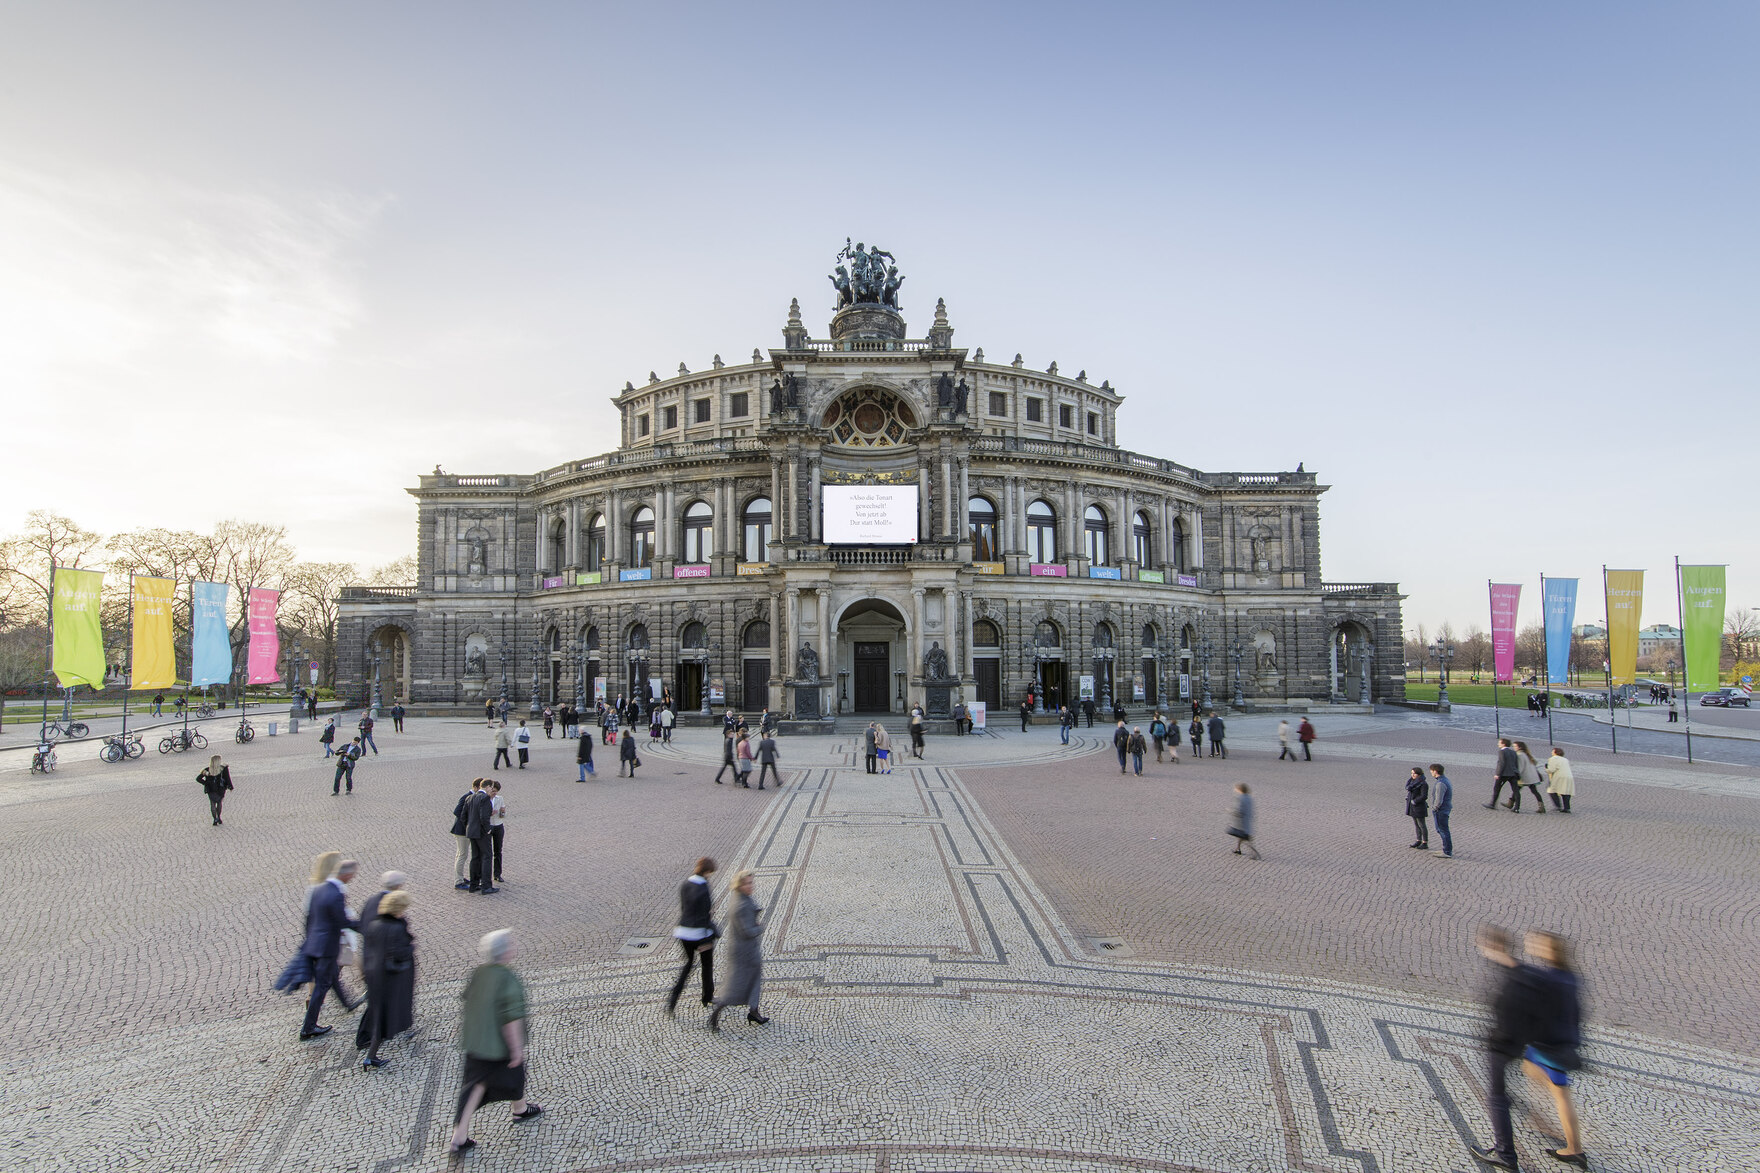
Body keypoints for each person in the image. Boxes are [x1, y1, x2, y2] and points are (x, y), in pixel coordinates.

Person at [450, 930, 544, 1156]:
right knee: (500, 1077)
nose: (514, 946)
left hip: (476, 1040)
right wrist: (515, 1049)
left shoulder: (479, 972)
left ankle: (519, 1109)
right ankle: (460, 1136)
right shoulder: (508, 979)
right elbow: (511, 1018)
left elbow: (467, 999)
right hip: (496, 1045)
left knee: (478, 1084)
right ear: (505, 952)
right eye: (511, 944)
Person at [1468, 924, 1542, 1170]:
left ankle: (1506, 1154)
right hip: (1517, 1046)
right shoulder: (1523, 972)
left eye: (1483, 945)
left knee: (1497, 1099)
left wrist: (1495, 1039)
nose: (1482, 950)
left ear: (1494, 946)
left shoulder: (1508, 981)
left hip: (1502, 1048)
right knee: (1503, 1095)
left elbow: (1509, 1019)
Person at [1521, 930, 1587, 1167]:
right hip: (1562, 1042)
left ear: (1549, 951)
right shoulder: (1569, 977)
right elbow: (1576, 1012)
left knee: (1559, 1093)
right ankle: (1546, 1125)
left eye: (1537, 945)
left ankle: (1573, 1148)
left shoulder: (1550, 979)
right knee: (1542, 1079)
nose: (1533, 946)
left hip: (1550, 1045)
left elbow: (1542, 1015)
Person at [299, 856, 360, 1039]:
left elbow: (309, 918)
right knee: (324, 983)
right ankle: (308, 1027)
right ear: (347, 874)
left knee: (332, 977)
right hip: (327, 947)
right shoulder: (336, 893)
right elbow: (342, 921)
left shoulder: (318, 889)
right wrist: (365, 926)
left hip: (318, 943)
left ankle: (347, 1003)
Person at [355, 888, 415, 1069]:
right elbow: (400, 952)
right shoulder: (395, 927)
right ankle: (370, 1057)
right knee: (385, 1019)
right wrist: (410, 948)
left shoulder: (375, 923)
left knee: (379, 1016)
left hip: (375, 975)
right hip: (389, 979)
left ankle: (370, 1055)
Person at [708, 870, 769, 1030]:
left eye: (751, 882)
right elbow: (747, 931)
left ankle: (754, 1011)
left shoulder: (740, 897)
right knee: (735, 987)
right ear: (740, 885)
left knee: (753, 979)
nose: (751, 886)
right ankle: (716, 1013)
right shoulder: (741, 905)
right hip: (745, 952)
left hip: (746, 950)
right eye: (748, 883)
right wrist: (760, 928)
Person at [665, 857, 718, 1015]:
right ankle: (707, 996)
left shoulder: (685, 884)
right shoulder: (704, 887)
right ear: (707, 871)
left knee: (688, 965)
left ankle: (673, 1000)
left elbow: (684, 907)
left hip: (682, 932)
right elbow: (705, 914)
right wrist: (706, 939)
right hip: (699, 933)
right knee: (706, 965)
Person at [467, 779, 497, 894]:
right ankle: (486, 886)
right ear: (488, 787)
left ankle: (473, 884)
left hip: (472, 832)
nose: (492, 790)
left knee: (475, 857)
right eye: (491, 787)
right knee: (487, 857)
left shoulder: (471, 797)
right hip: (482, 833)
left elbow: (464, 814)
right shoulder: (485, 798)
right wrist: (488, 829)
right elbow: (484, 817)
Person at [452, 779, 481, 889]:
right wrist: (469, 820)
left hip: (463, 830)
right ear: (476, 787)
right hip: (461, 831)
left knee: (461, 855)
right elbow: (457, 811)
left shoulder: (470, 796)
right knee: (462, 855)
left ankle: (459, 877)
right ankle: (458, 881)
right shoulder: (466, 796)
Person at [198, 754, 233, 825]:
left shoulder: (207, 770)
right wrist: (230, 786)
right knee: (219, 803)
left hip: (210, 789)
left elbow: (198, 778)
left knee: (212, 804)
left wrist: (206, 783)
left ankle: (214, 819)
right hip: (220, 789)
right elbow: (227, 778)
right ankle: (219, 818)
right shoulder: (223, 769)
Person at [1509, 742, 1545, 813]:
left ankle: (1511, 803)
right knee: (1534, 791)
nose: (1514, 748)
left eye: (1515, 746)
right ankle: (1541, 807)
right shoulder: (1527, 754)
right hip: (1532, 777)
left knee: (1516, 790)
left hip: (1525, 777)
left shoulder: (1519, 755)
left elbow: (1520, 767)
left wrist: (1516, 775)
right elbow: (1535, 762)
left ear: (1519, 747)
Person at [1486, 738, 1520, 810]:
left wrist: (1497, 774)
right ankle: (1517, 807)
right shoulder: (1513, 752)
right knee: (1515, 790)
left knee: (1497, 788)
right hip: (1513, 773)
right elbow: (1516, 764)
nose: (1498, 744)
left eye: (1499, 743)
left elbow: (1501, 763)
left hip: (1504, 774)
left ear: (1503, 744)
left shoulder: (1502, 752)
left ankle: (1492, 804)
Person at [1429, 764, 1454, 858]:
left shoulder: (1440, 783)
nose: (1431, 773)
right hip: (1445, 808)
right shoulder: (1445, 780)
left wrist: (1435, 808)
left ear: (1435, 771)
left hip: (1441, 810)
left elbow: (1439, 799)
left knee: (1442, 830)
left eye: (1431, 771)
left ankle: (1447, 851)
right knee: (1443, 830)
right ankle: (1446, 849)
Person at [1228, 783, 1259, 858]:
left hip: (1241, 821)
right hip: (1247, 820)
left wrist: (1231, 812)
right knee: (1242, 835)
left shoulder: (1240, 798)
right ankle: (1238, 849)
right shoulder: (1249, 797)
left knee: (1244, 837)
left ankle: (1254, 853)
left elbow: (1239, 810)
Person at [1404, 767, 1429, 849]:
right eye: (1411, 773)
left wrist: (1415, 801)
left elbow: (1424, 796)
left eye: (1414, 773)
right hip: (1412, 807)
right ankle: (1418, 840)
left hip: (1419, 807)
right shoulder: (1412, 782)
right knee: (1416, 824)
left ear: (1419, 774)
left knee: (1422, 825)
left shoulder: (1423, 784)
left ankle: (1425, 842)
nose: (1412, 775)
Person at [487, 780, 507, 885]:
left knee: (498, 850)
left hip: (498, 825)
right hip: (489, 825)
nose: (494, 793)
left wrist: (502, 812)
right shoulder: (485, 799)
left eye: (496, 792)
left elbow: (503, 814)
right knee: (487, 852)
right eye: (493, 791)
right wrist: (489, 813)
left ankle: (497, 874)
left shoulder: (500, 799)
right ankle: (486, 874)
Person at [1544, 747, 1575, 812]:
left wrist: (1546, 768)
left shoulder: (1552, 759)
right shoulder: (1565, 759)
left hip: (1559, 777)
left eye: (1552, 751)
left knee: (1551, 790)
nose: (1551, 752)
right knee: (1566, 792)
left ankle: (1558, 806)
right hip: (1568, 776)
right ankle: (1567, 808)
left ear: (1555, 752)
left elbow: (1551, 770)